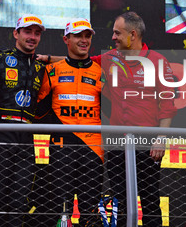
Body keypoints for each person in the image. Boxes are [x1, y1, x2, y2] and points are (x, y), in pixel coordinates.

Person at [101, 12, 177, 226]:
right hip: (116, 141)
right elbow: (81, 62)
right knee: (120, 201)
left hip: (147, 141)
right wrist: (48, 59)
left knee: (150, 200)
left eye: (117, 33)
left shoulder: (158, 62)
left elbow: (168, 105)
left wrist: (161, 138)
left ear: (132, 34)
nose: (113, 37)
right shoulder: (109, 58)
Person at [36, 18, 104, 226]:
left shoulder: (100, 72)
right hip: (61, 145)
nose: (84, 40)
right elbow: (38, 111)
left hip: (94, 148)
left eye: (87, 36)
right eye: (78, 36)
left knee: (90, 210)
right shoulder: (52, 71)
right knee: (60, 208)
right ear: (66, 39)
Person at [0, 14, 47, 226]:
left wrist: (50, 59)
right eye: (27, 31)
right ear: (16, 33)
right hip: (1, 131)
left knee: (20, 199)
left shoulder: (41, 67)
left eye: (37, 33)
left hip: (27, 136)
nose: (32, 37)